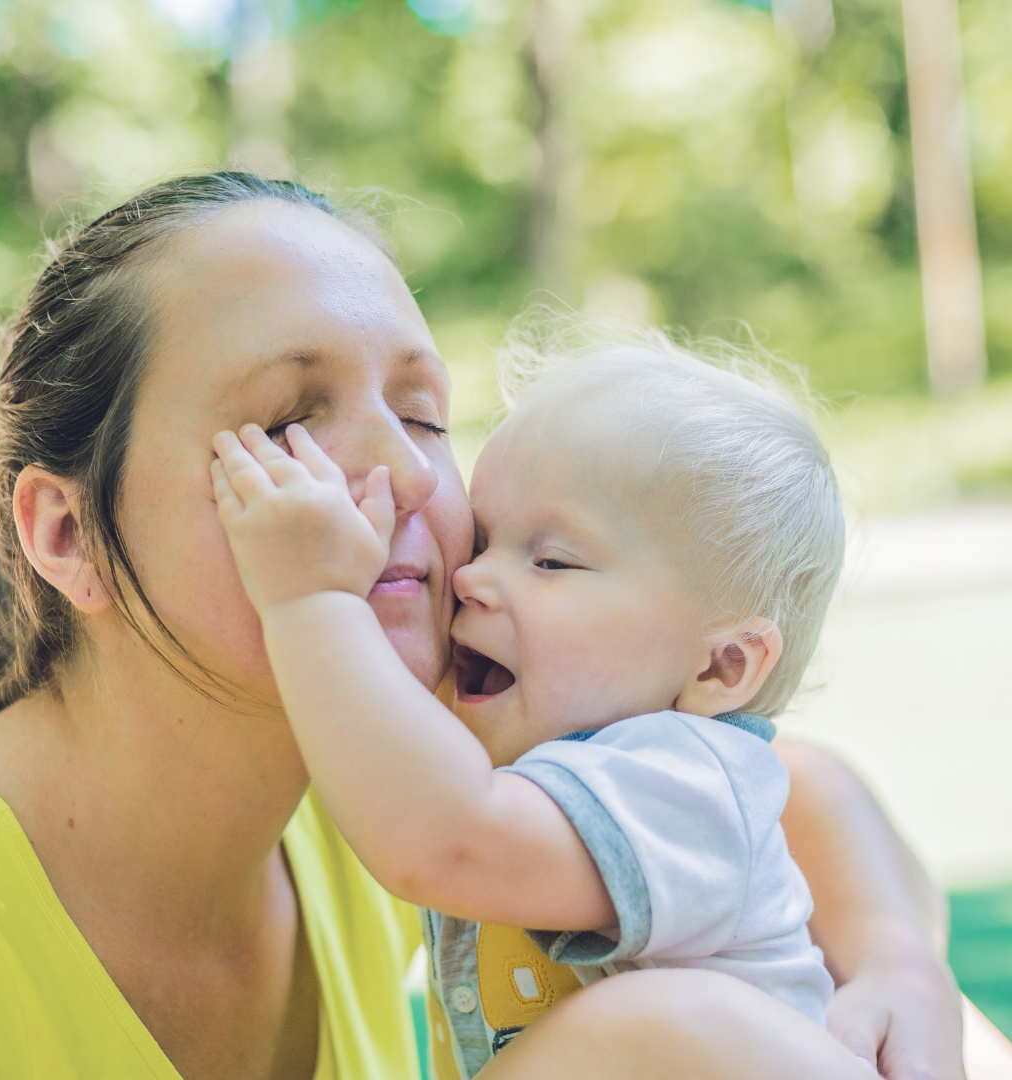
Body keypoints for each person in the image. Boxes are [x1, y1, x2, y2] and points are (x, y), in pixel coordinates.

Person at [0, 172, 963, 1080]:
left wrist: (896, 963)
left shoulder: (371, 742)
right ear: (67, 532)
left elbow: (789, 787)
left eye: (424, 414)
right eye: (291, 421)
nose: (413, 472)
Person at [209, 336, 866, 1077]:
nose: (472, 578)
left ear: (722, 664)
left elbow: (448, 840)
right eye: (483, 539)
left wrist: (311, 598)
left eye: (551, 561)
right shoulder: (518, 737)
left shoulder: (686, 786)